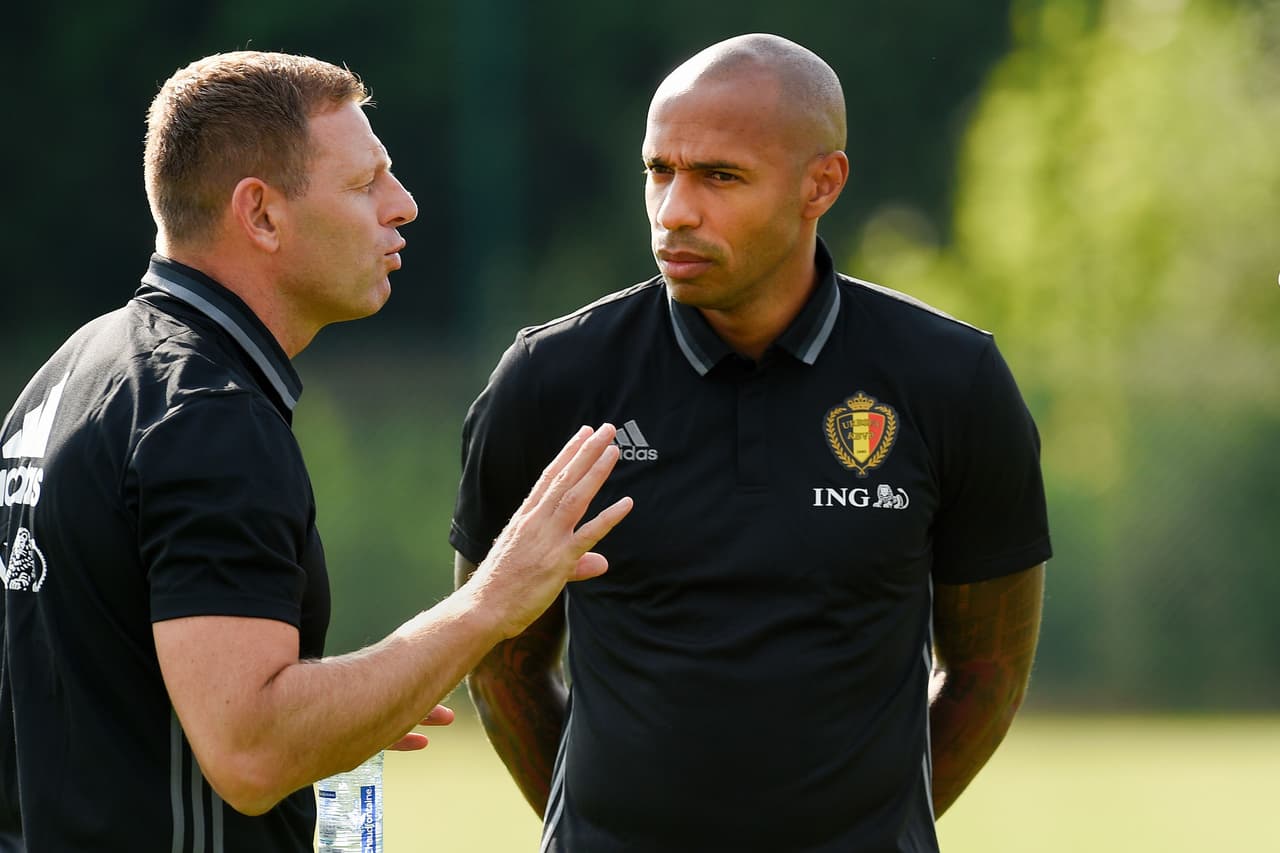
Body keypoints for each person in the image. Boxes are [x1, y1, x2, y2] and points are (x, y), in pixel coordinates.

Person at [0, 50, 632, 851]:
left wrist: (343, 710)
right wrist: (490, 601)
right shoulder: (208, 416)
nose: (402, 206)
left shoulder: (78, 368)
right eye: (365, 184)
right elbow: (252, 750)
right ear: (261, 214)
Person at [452, 33, 1049, 853]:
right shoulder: (550, 381)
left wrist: (873, 831)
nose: (675, 210)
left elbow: (988, 673)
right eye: (659, 171)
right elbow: (501, 662)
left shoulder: (953, 381)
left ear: (821, 184)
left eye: (719, 176)